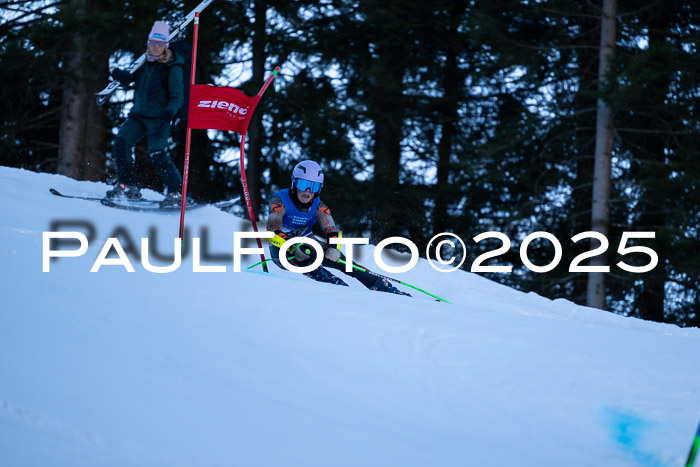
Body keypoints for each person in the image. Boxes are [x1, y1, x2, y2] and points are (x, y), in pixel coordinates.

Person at [266, 160, 410, 295]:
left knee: (344, 262)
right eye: (303, 184)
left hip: (306, 241)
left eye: (314, 186)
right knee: (306, 257)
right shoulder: (279, 200)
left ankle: (386, 289)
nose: (308, 191)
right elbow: (272, 231)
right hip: (281, 250)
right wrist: (292, 245)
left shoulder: (319, 206)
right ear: (294, 183)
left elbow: (331, 229)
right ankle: (339, 288)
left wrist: (333, 247)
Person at [106, 21, 185, 207]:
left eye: (160, 43)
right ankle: (128, 186)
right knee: (121, 142)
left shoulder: (173, 68)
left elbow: (178, 97)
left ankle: (176, 192)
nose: (156, 47)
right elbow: (132, 79)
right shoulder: (143, 63)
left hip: (159, 118)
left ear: (166, 45)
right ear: (148, 43)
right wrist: (122, 77)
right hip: (138, 116)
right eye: (153, 43)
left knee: (156, 153)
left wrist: (168, 115)